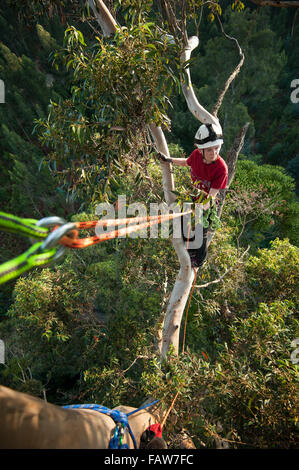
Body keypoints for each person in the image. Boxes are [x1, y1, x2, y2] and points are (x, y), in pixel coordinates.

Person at [157, 122, 228, 269]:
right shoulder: (196, 156)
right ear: (200, 149)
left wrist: (198, 210)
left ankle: (198, 262)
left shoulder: (221, 169)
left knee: (198, 234)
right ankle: (188, 255)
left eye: (217, 148)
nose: (214, 153)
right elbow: (186, 163)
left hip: (205, 204)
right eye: (209, 150)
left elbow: (211, 197)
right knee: (184, 232)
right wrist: (168, 160)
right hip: (190, 200)